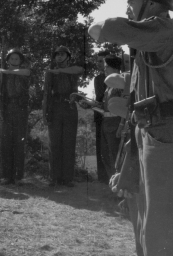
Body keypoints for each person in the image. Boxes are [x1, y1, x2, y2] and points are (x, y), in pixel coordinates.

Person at [89, 0, 173, 255]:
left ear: (150, 4)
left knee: (163, 229)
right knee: (142, 220)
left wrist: (102, 24)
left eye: (132, 1)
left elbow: (107, 29)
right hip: (150, 131)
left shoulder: (165, 28)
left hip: (168, 132)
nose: (127, 7)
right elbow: (140, 94)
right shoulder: (148, 45)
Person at [42, 46, 84, 187]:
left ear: (68, 56)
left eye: (62, 54)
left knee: (68, 143)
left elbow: (80, 69)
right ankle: (54, 178)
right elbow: (47, 93)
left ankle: (67, 178)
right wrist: (45, 112)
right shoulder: (50, 73)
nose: (59, 57)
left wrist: (59, 70)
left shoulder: (72, 70)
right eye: (57, 55)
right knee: (54, 144)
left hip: (70, 107)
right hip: (54, 107)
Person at [81, 55, 123, 178]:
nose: (104, 70)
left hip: (116, 125)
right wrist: (90, 105)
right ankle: (114, 186)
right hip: (106, 124)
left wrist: (121, 126)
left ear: (114, 68)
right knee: (106, 155)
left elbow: (124, 107)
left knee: (116, 157)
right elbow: (105, 107)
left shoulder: (121, 83)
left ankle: (120, 188)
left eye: (106, 67)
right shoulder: (109, 86)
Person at [0, 48, 31, 185]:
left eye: (17, 59)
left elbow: (26, 72)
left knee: (19, 143)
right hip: (6, 109)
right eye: (12, 59)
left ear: (21, 61)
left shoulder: (24, 72)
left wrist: (7, 70)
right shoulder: (2, 75)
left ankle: (18, 177)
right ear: (8, 60)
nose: (14, 61)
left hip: (21, 110)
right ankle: (6, 176)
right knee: (5, 143)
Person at [94, 51, 109, 183]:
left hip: (111, 116)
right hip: (99, 115)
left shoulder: (116, 77)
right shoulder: (97, 79)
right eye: (97, 61)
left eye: (101, 61)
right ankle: (102, 178)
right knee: (100, 147)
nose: (98, 64)